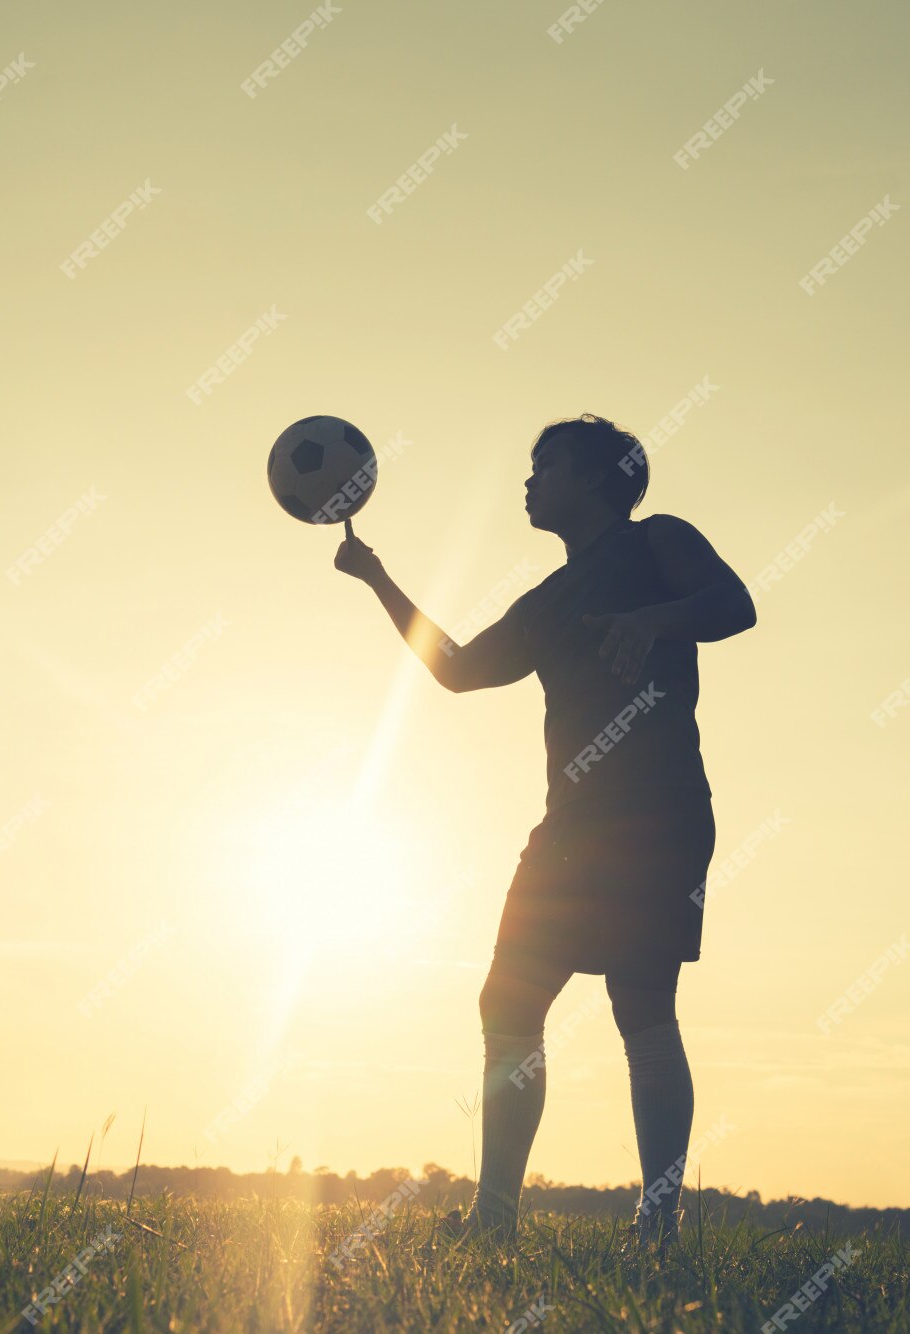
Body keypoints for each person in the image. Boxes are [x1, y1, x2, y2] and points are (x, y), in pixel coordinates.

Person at [333, 413, 757, 1249]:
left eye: (547, 465)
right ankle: (495, 1221)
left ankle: (658, 1218)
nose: (529, 481)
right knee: (507, 1003)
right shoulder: (547, 600)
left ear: (599, 478)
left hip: (660, 814)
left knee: (641, 1006)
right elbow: (457, 670)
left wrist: (653, 620)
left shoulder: (655, 542)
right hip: (569, 826)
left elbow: (735, 606)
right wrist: (378, 578)